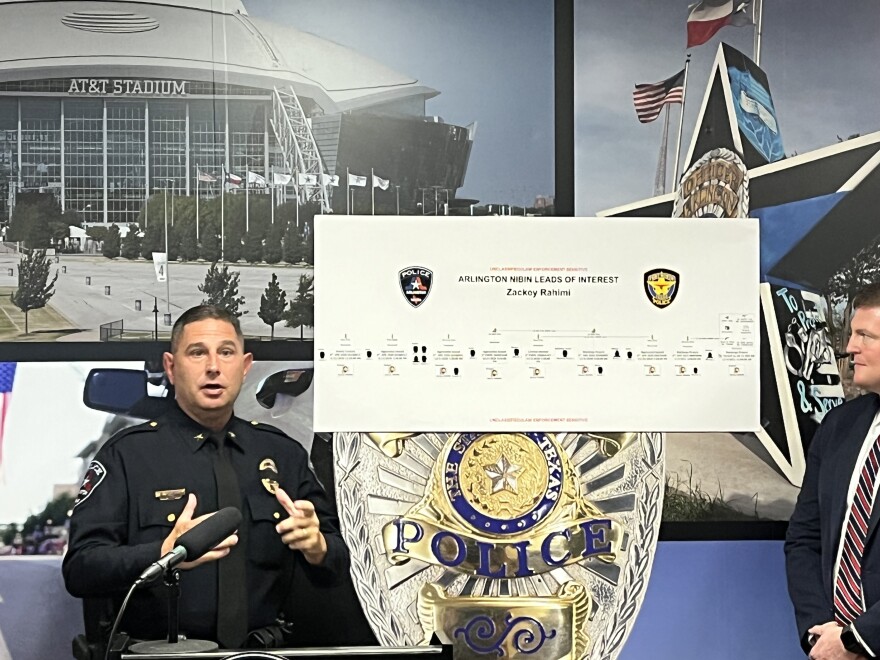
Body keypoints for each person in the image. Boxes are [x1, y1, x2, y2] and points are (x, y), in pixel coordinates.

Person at [63, 305, 348, 650]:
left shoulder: (283, 455)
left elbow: (338, 559)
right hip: (160, 658)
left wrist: (318, 548)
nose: (213, 367)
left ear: (244, 368)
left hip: (262, 654)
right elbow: (80, 569)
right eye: (197, 353)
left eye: (226, 353)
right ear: (171, 367)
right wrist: (163, 552)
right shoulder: (127, 455)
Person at [786, 282, 880, 660]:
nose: (850, 348)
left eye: (865, 336)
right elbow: (804, 536)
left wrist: (858, 640)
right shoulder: (839, 425)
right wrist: (821, 633)